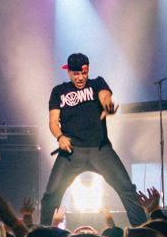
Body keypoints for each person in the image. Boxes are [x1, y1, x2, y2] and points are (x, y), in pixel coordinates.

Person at [39, 53, 146, 227]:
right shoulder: (59, 91)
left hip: (100, 150)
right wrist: (60, 137)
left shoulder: (97, 83)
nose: (80, 77)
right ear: (69, 72)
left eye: (84, 73)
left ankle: (143, 233)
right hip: (71, 151)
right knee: (51, 196)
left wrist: (108, 105)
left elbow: (105, 97)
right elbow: (52, 121)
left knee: (127, 189)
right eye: (76, 74)